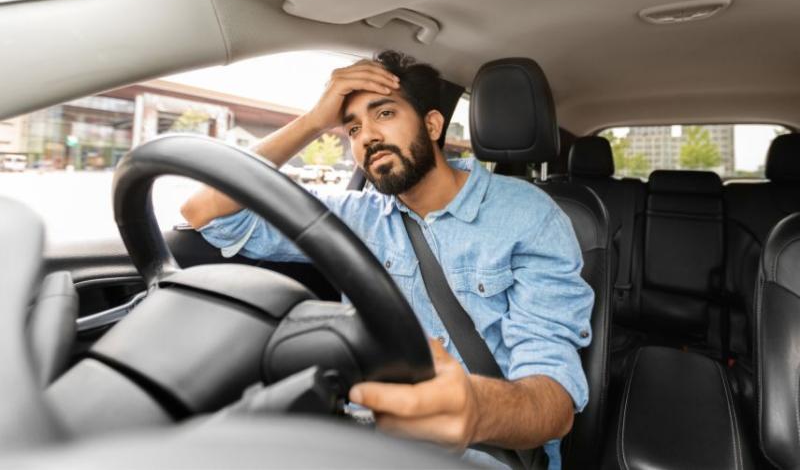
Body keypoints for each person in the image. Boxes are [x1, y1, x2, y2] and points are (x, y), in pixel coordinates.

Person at [180, 50, 594, 469]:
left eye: (384, 114)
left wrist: (476, 409)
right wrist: (312, 122)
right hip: (361, 442)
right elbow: (205, 211)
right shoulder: (354, 216)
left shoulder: (530, 215)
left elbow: (553, 402)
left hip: (483, 452)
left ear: (432, 125)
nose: (367, 136)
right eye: (353, 127)